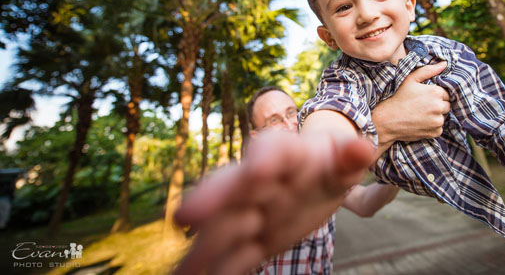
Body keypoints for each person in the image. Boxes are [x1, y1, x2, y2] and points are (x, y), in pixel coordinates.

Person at [175, 0, 505, 274]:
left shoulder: (446, 55)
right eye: (344, 7)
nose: (366, 13)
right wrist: (314, 160)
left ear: (409, 5)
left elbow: (496, 112)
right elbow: (331, 116)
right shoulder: (343, 77)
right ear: (328, 36)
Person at [175, 62, 452, 275]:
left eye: (291, 112)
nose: (289, 124)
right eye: (274, 120)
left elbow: (365, 204)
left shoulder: (322, 172)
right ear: (257, 134)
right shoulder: (254, 185)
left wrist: (397, 174)